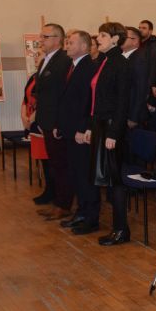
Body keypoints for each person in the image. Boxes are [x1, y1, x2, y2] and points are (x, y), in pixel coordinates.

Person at [90, 22, 132, 246]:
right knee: (108, 178)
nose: (98, 38)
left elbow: (122, 102)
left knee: (115, 180)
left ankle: (121, 230)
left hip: (112, 128)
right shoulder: (105, 60)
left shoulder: (120, 63)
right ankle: (118, 227)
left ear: (116, 39)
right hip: (101, 125)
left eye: (103, 35)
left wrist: (113, 133)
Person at [55, 30, 100, 235]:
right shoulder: (72, 65)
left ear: (83, 46)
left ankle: (90, 218)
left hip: (81, 132)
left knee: (85, 176)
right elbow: (66, 100)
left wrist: (82, 129)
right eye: (67, 42)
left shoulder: (89, 67)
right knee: (76, 174)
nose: (67, 45)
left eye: (71, 42)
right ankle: (81, 212)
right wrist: (61, 126)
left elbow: (88, 103)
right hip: (70, 130)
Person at [32, 24, 71, 216]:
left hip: (56, 122)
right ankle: (57, 201)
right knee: (54, 164)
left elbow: (62, 95)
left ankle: (63, 205)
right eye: (41, 36)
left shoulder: (63, 60)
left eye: (45, 37)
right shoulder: (45, 60)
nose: (40, 40)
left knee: (61, 164)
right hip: (46, 120)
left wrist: (57, 122)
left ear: (57, 39)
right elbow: (41, 92)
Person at [122, 27, 149, 129]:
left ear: (135, 41)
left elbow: (141, 89)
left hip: (131, 114)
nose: (120, 39)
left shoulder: (139, 59)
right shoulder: (122, 57)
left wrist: (134, 117)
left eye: (124, 37)